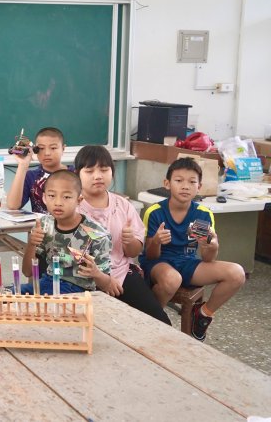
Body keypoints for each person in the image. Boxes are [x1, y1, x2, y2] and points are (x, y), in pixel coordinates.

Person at [139, 157, 245, 341]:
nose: (185, 186)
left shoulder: (202, 214)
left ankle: (202, 315)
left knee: (237, 273)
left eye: (192, 182)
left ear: (199, 187)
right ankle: (151, 319)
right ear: (167, 183)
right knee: (172, 279)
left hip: (188, 262)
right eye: (179, 180)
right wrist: (156, 241)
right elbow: (150, 255)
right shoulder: (155, 212)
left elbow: (207, 258)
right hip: (159, 262)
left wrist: (212, 246)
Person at [74, 146, 171, 324]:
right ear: (77, 174)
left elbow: (134, 252)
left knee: (160, 322)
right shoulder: (73, 207)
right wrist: (102, 279)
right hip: (83, 278)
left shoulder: (123, 205)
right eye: (89, 171)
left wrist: (129, 241)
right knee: (97, 327)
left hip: (122, 274)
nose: (98, 176)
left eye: (104, 170)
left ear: (112, 172)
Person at [21, 170, 113, 294]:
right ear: (44, 198)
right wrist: (31, 244)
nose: (58, 203)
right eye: (52, 196)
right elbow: (27, 272)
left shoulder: (96, 234)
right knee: (6, 294)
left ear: (79, 200)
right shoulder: (44, 224)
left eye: (67, 197)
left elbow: (106, 285)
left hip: (78, 291)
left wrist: (96, 273)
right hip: (48, 283)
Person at [6, 127, 71, 213]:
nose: (47, 153)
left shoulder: (75, 174)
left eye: (53, 148)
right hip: (41, 222)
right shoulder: (31, 177)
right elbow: (12, 206)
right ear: (35, 150)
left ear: (63, 149)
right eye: (41, 148)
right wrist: (22, 165)